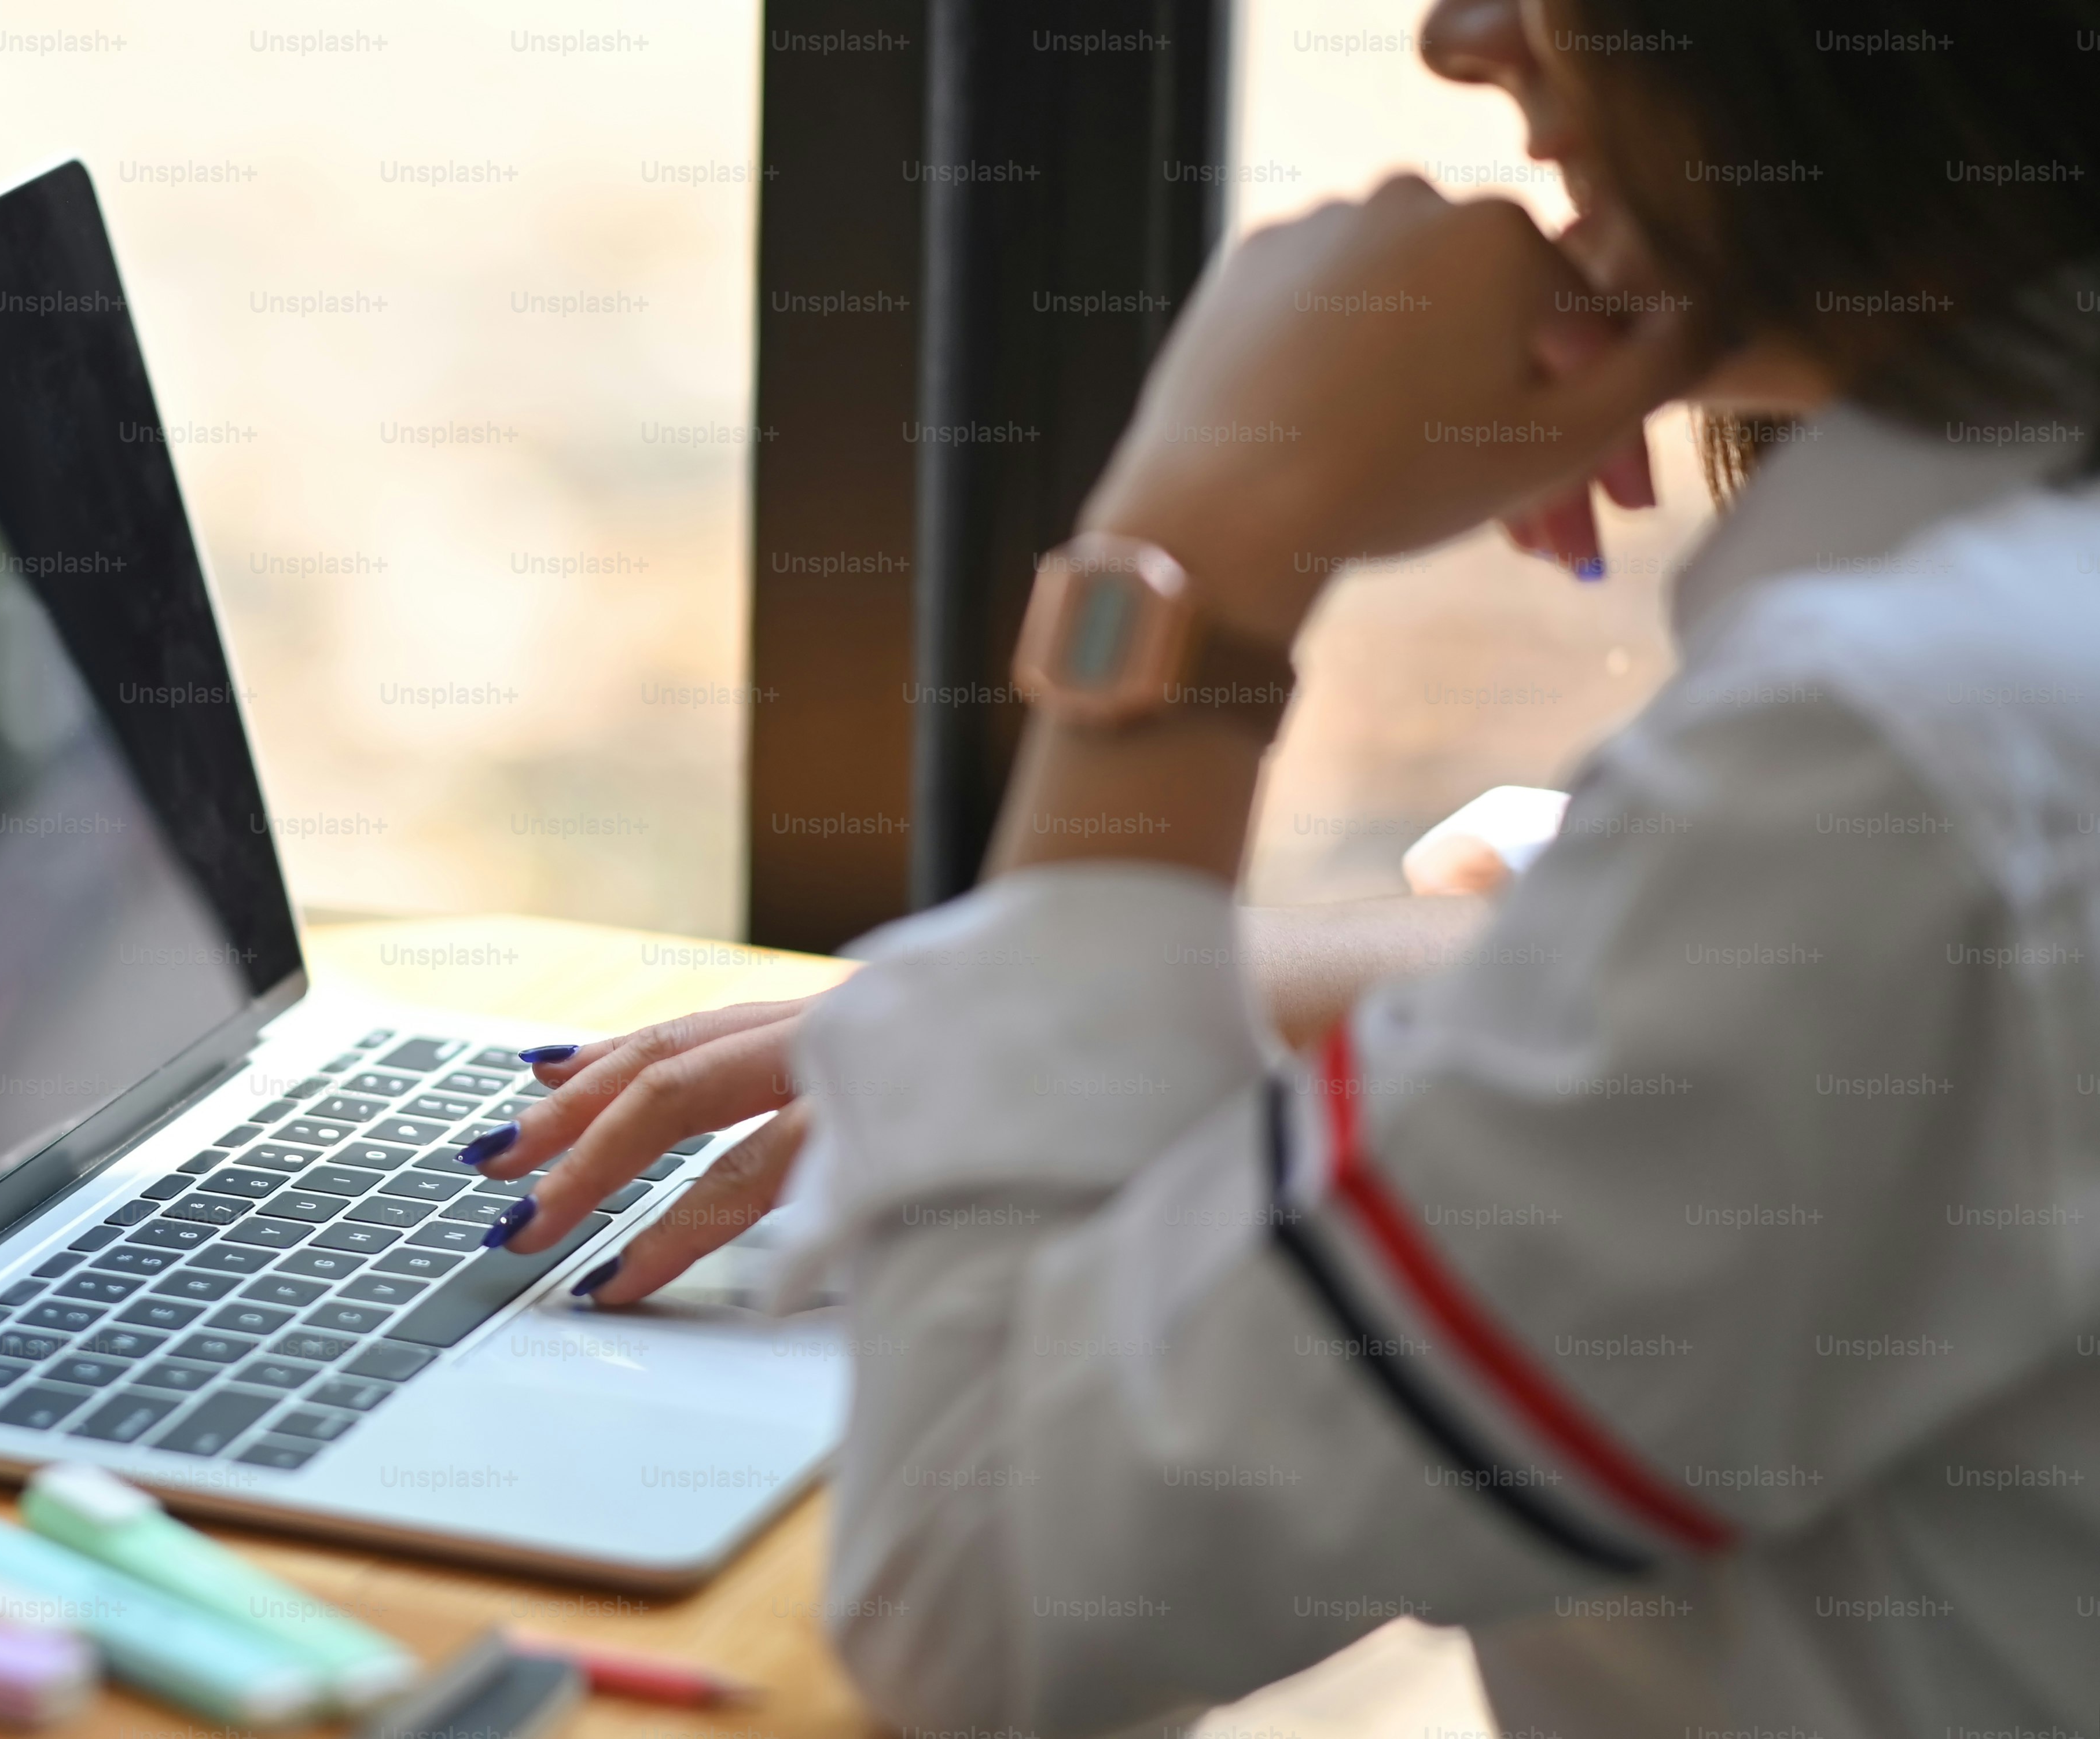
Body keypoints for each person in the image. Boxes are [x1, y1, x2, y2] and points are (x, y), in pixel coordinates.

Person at [468, 2, 2100, 1731]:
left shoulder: (1906, 761)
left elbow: (990, 1606)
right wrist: (1196, 992)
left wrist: (1198, 549)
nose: (1457, 34)